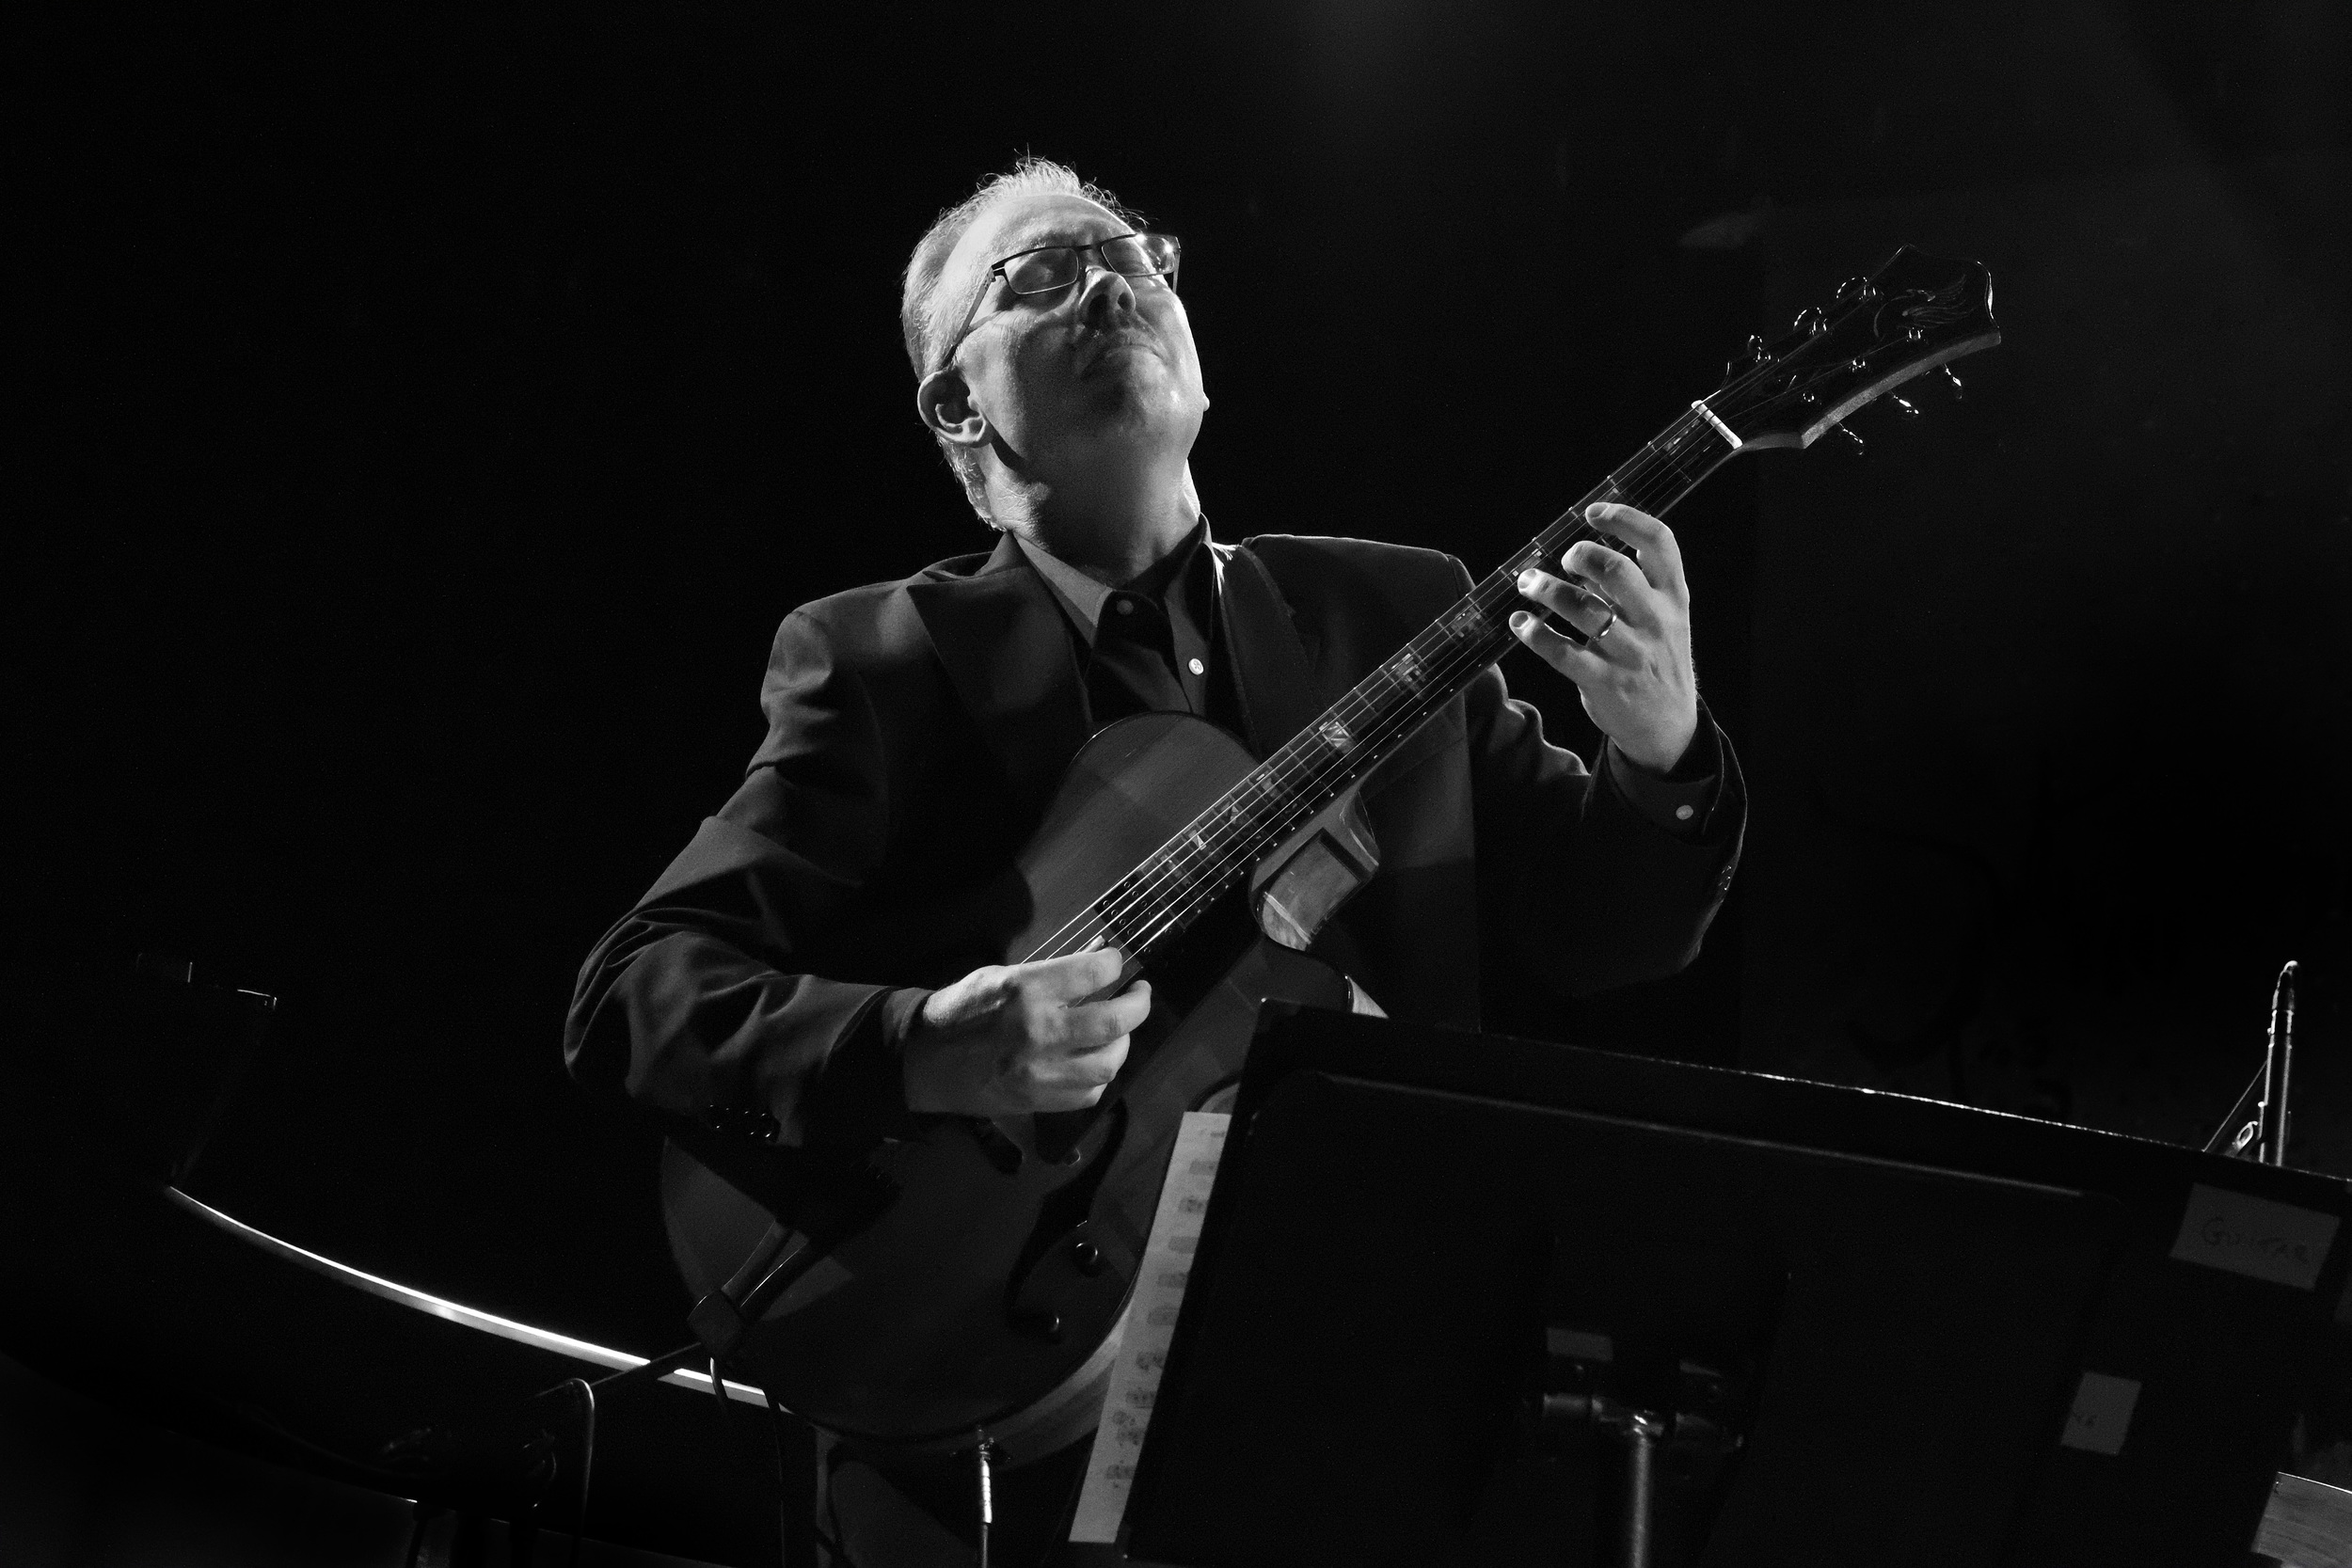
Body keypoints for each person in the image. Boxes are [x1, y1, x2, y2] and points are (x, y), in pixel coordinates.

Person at [564, 156, 1744, 1566]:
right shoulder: (885, 660)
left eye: (1140, 259)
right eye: (1046, 275)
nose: (1117, 283)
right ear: (957, 402)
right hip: (992, 1422)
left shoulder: (1393, 612)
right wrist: (926, 1041)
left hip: (1359, 1384)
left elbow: (1607, 935)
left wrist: (1659, 751)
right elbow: (634, 994)